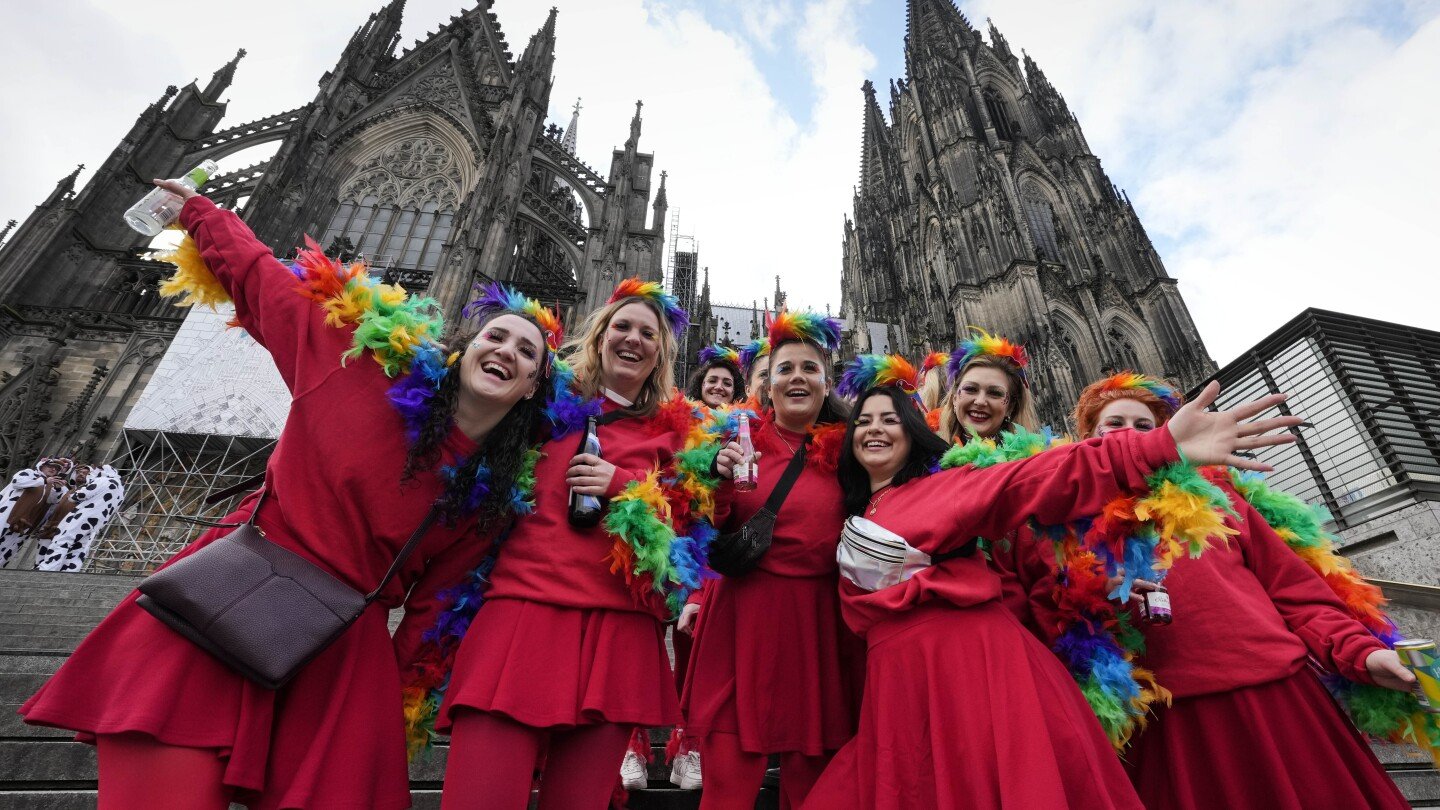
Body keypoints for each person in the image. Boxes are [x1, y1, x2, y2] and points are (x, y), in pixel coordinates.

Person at [20, 182, 559, 810]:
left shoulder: (489, 497)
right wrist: (199, 209)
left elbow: (433, 614)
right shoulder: (360, 369)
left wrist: (394, 705)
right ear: (465, 350)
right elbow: (261, 281)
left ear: (531, 389)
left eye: (528, 352)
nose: (507, 350)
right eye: (496, 336)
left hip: (341, 654)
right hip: (226, 597)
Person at [801, 356, 1304, 810]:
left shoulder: (942, 486)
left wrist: (1157, 446)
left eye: (891, 419)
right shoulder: (856, 508)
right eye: (863, 421)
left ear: (914, 433)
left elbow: (1042, 478)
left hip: (970, 670)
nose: (875, 429)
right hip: (901, 684)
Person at [1057, 372, 1415, 810]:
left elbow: (1297, 594)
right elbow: (1055, 619)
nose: (1129, 434)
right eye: (1114, 424)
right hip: (1167, 722)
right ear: (1088, 438)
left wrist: (1362, 652)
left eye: (1145, 426)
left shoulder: (1221, 499)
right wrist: (1090, 590)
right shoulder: (1064, 525)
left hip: (1277, 701)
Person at [435, 279, 723, 810]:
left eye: (648, 332)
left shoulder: (680, 435)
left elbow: (687, 539)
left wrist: (620, 485)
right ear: (599, 336)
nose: (633, 339)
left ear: (661, 351)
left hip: (617, 637)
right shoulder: (542, 403)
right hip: (522, 620)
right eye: (622, 327)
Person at [683, 311, 858, 809]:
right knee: (728, 783)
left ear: (827, 384)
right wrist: (712, 478)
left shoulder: (851, 450)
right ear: (767, 385)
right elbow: (700, 529)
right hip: (745, 618)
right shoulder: (734, 440)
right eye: (785, 369)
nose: (797, 377)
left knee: (814, 785)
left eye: (810, 368)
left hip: (820, 623)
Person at [936, 328, 1039, 444]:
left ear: (1010, 407)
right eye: (970, 389)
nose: (980, 401)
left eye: (995, 393)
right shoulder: (926, 458)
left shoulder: (1038, 461)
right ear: (954, 398)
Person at [35, 463, 126, 572]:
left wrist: (72, 496)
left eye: (90, 472)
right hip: (96, 522)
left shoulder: (103, 480)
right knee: (79, 548)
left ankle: (48, 568)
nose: (90, 475)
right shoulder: (120, 490)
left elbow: (81, 495)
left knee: (63, 540)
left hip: (82, 516)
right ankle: (69, 570)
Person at [0, 458, 69, 568]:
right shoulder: (29, 473)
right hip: (5, 515)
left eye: (56, 469)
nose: (53, 469)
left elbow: (52, 501)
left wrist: (57, 489)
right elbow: (17, 482)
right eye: (50, 466)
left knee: (6, 550)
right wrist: (44, 481)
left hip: (22, 523)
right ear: (41, 466)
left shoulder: (49, 485)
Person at [685, 344, 747, 408]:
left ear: (734, 390)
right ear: (701, 384)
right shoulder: (682, 415)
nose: (718, 387)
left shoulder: (746, 417)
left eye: (727, 383)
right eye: (712, 381)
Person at [738, 337, 771, 409]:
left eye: (778, 373)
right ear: (748, 390)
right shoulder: (736, 419)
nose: (771, 381)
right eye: (764, 374)